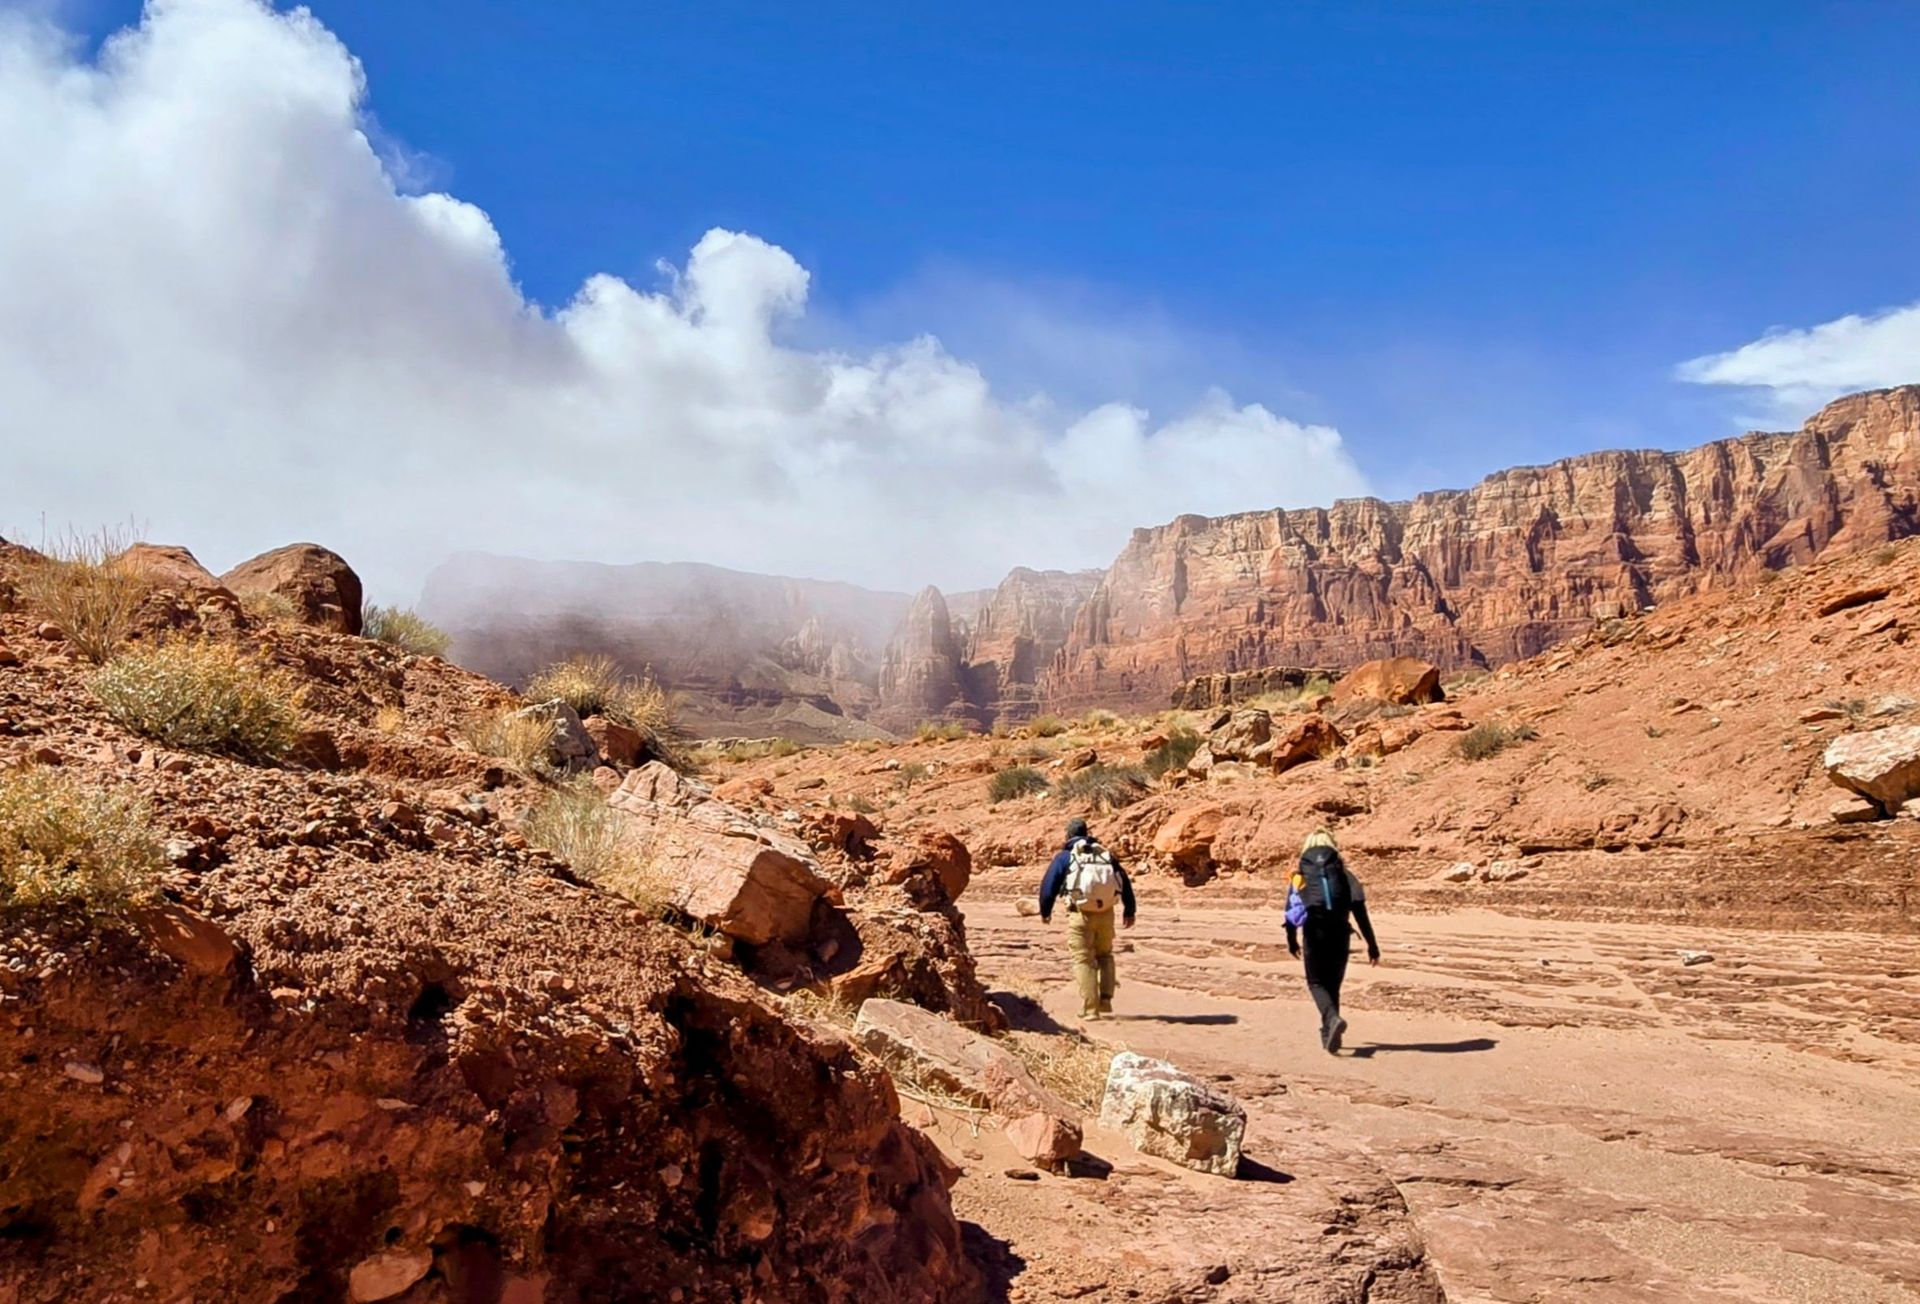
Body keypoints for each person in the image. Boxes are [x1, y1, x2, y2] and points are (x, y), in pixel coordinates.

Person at [1285, 829, 1379, 1053]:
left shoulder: (1301, 875)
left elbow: (1291, 910)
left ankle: (1332, 1021)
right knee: (1333, 985)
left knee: (1316, 983)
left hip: (1314, 931)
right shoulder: (1344, 873)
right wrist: (1372, 945)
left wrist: (1291, 941)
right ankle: (1330, 1033)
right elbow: (1359, 909)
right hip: (1340, 932)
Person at [1038, 817, 1137, 1018]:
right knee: (1105, 955)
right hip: (1106, 913)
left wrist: (1045, 911)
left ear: (1068, 835)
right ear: (1087, 831)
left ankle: (1091, 1009)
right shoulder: (1105, 854)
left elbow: (1049, 886)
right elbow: (1123, 881)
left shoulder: (1065, 856)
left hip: (1080, 914)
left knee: (1083, 960)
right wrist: (1130, 910)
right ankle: (1106, 1002)